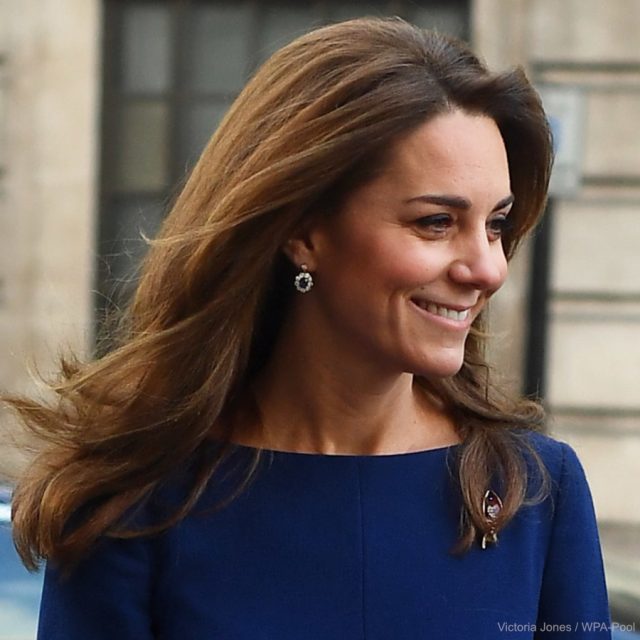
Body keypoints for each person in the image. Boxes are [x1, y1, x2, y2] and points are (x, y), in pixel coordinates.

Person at [5, 17, 611, 640]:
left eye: (495, 225)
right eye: (435, 222)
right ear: (303, 231)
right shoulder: (134, 502)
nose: (488, 267)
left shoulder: (534, 491)